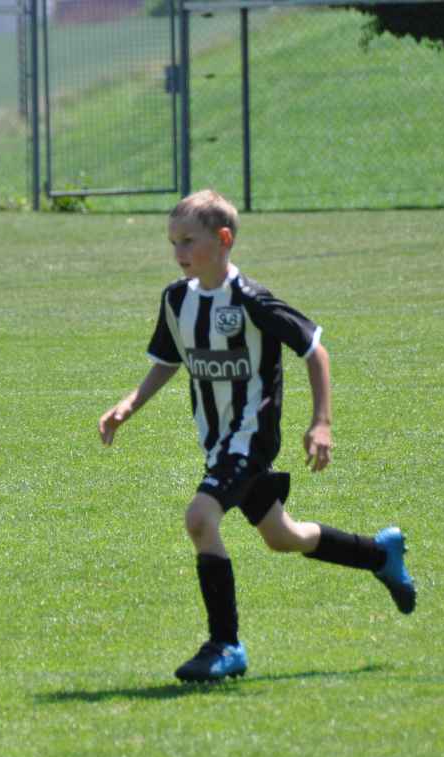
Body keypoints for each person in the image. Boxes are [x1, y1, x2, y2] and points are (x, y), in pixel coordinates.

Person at [98, 189, 416, 683]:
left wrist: (322, 421)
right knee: (283, 537)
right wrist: (130, 404)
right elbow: (168, 360)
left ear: (223, 239)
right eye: (173, 242)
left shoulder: (251, 300)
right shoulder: (176, 300)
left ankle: (224, 644)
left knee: (200, 518)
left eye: (188, 241)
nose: (178, 251)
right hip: (217, 442)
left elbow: (314, 350)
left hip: (250, 438)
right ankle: (379, 554)